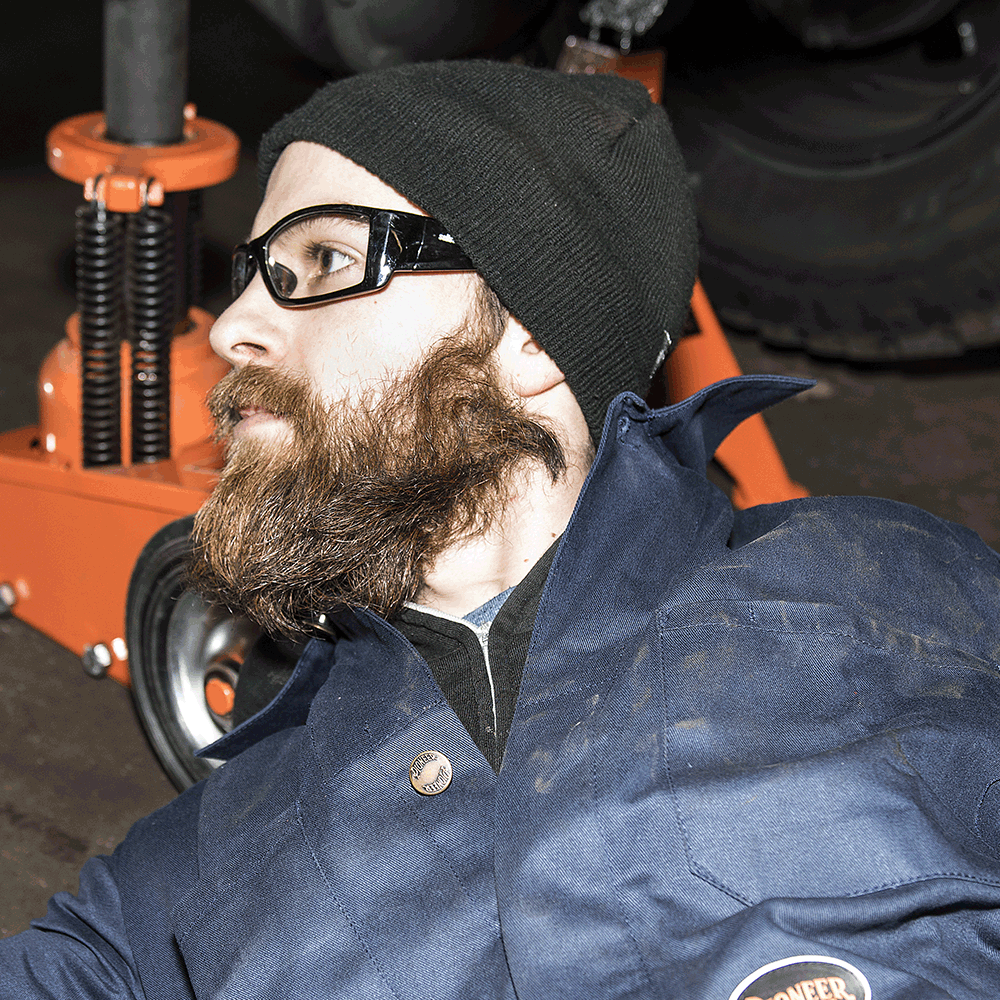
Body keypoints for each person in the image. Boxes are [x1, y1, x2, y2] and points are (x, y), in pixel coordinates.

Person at [3, 58, 1000, 1000]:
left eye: (324, 258)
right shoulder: (209, 853)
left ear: (527, 335)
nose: (229, 329)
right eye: (253, 275)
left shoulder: (884, 602)